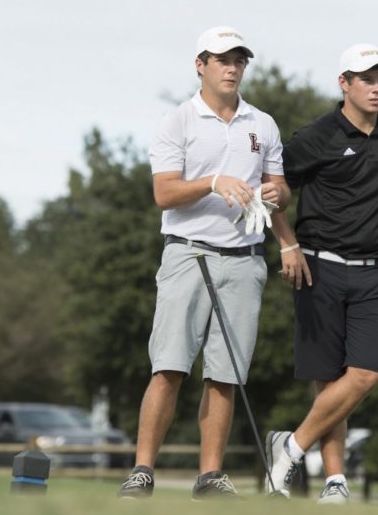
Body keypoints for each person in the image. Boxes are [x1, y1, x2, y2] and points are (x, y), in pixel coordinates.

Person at [266, 43, 378, 504]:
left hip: (374, 273)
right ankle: (334, 481)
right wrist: (287, 243)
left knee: (364, 374)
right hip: (320, 268)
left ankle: (288, 447)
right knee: (329, 381)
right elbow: (272, 189)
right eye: (367, 78)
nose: (377, 87)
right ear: (344, 83)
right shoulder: (317, 136)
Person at [117, 26, 291, 500]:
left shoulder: (263, 124)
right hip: (187, 254)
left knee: (225, 374)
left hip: (244, 261)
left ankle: (210, 476)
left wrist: (278, 192)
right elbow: (164, 193)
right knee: (169, 367)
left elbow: (279, 189)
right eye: (221, 59)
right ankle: (142, 470)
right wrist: (213, 181)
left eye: (239, 59)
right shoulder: (178, 121)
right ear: (201, 64)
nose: (232, 67)